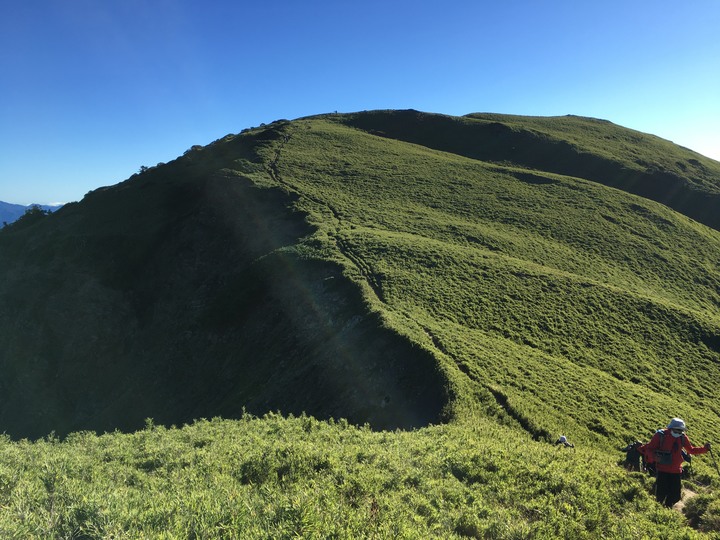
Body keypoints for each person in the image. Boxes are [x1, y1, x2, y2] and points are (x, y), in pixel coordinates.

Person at [639, 418, 711, 507]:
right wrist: (653, 457)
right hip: (662, 469)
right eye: (677, 430)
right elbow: (649, 448)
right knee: (661, 494)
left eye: (681, 431)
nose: (679, 433)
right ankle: (660, 510)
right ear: (671, 428)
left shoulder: (683, 438)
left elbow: (691, 450)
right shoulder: (660, 435)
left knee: (676, 496)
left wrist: (705, 449)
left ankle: (667, 507)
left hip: (676, 471)